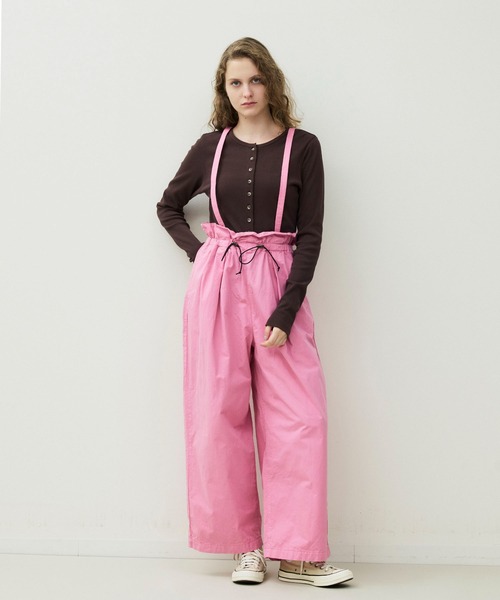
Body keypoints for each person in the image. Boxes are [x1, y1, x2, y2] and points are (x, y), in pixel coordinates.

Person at [156, 37, 353, 588]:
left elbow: (310, 234)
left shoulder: (304, 146)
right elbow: (168, 206)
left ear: (271, 82)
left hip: (278, 283)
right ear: (225, 90)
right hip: (218, 284)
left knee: (301, 417)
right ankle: (245, 548)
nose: (246, 92)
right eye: (235, 82)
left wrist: (287, 310)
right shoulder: (210, 147)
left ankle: (299, 554)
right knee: (219, 415)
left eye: (255, 80)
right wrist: (202, 255)